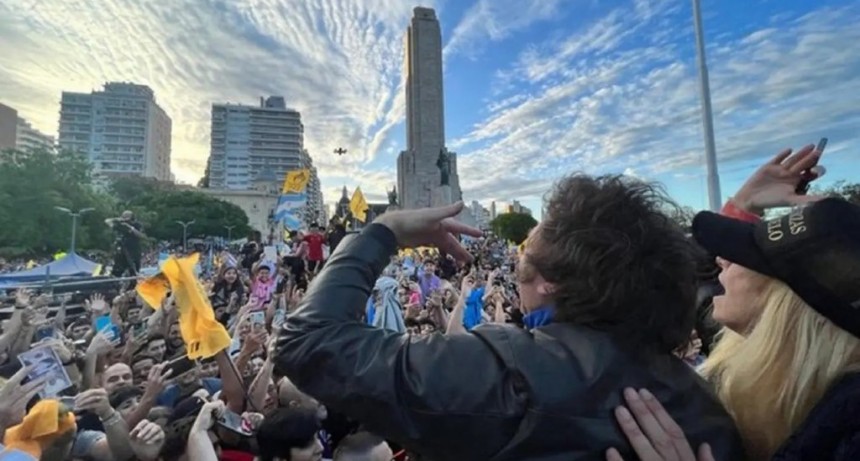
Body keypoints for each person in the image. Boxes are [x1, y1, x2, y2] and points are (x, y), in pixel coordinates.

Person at [276, 178, 745, 460]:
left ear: (552, 281)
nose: (522, 246)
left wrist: (381, 233)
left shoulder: (503, 372)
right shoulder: (709, 412)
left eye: (534, 240)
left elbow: (307, 339)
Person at [605, 145, 860, 461]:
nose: (722, 260)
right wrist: (743, 205)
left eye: (745, 256)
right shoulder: (783, 387)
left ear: (788, 304)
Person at [106, 210, 146, 277]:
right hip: (121, 252)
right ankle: (115, 283)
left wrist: (130, 227)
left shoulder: (137, 225)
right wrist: (118, 219)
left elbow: (141, 235)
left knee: (133, 272)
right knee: (117, 271)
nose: (126, 219)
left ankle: (132, 283)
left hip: (133, 252)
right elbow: (107, 221)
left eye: (127, 217)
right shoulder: (121, 225)